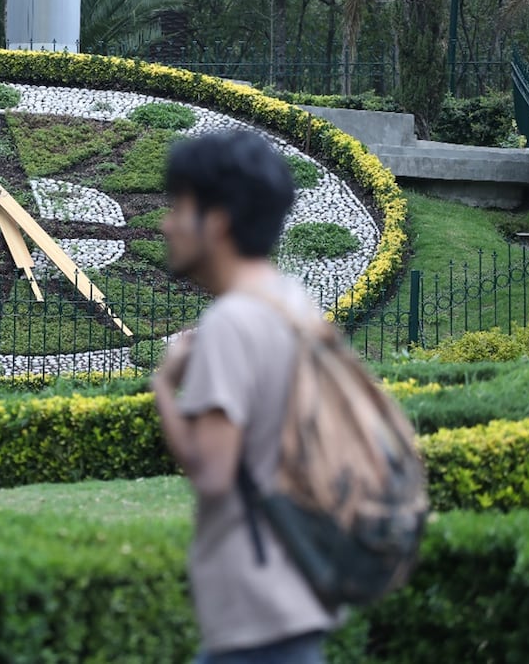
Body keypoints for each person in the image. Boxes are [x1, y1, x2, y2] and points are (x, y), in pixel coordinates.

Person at [152, 130, 342, 664]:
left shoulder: (232, 322)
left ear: (217, 222)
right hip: (298, 590)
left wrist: (165, 387)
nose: (165, 224)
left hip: (256, 612)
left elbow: (211, 472)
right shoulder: (291, 301)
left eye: (178, 207)